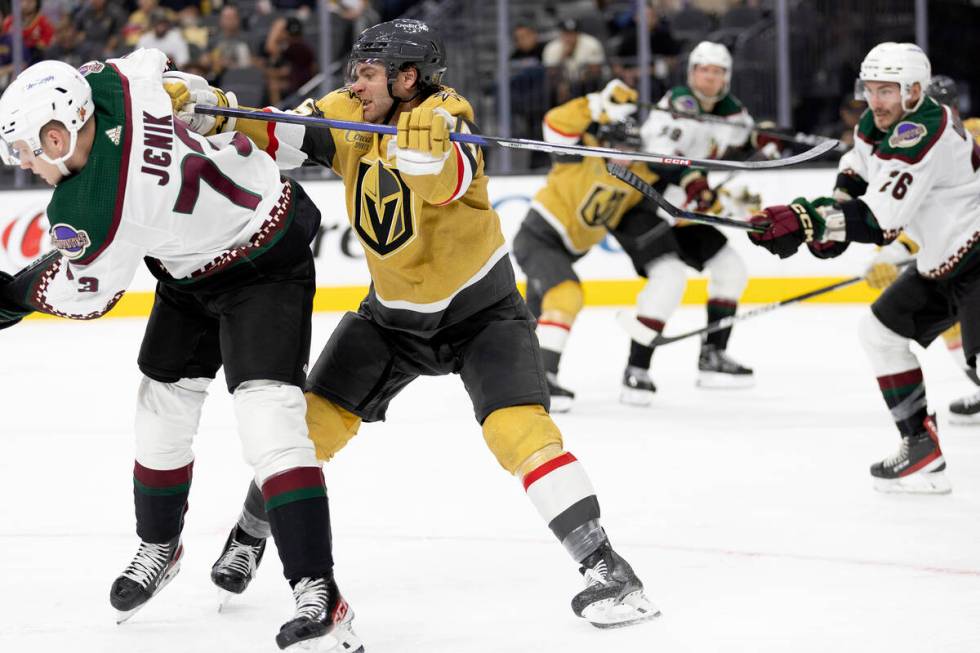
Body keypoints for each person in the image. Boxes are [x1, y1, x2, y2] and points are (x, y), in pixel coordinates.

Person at [169, 18, 658, 628]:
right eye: (355, 71)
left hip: (481, 314)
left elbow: (452, 179)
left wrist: (430, 152)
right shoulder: (348, 111)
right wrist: (218, 112)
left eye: (369, 73)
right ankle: (248, 534)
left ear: (408, 79)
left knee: (519, 432)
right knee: (306, 430)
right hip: (391, 320)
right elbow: (285, 133)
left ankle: (608, 568)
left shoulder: (451, 117)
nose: (356, 82)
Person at [0, 51, 360, 652]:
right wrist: (188, 88)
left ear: (58, 134)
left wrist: (11, 297)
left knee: (269, 423)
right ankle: (161, 546)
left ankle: (320, 591)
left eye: (29, 149)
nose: (26, 164)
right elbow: (149, 63)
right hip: (192, 267)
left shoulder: (93, 208)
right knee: (160, 408)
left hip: (263, 267)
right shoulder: (109, 83)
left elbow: (87, 299)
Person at [746, 42, 980, 494]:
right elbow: (857, 171)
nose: (874, 100)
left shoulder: (923, 129)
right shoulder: (879, 122)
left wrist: (808, 219)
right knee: (880, 331)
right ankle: (920, 448)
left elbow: (880, 220)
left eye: (887, 90)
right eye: (869, 88)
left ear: (914, 90)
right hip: (944, 261)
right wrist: (826, 219)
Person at [515, 80, 726, 409]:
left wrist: (706, 198)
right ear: (603, 141)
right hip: (539, 237)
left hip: (567, 250)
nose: (624, 157)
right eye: (618, 147)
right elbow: (555, 123)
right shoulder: (580, 155)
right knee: (567, 295)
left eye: (630, 150)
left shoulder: (634, 176)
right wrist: (596, 101)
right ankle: (543, 381)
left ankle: (518, 379)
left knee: (527, 323)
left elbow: (673, 200)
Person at [626, 40, 756, 399]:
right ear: (692, 73)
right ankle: (636, 368)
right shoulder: (677, 104)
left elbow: (745, 134)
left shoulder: (731, 111)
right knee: (668, 280)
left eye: (716, 72)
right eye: (703, 70)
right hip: (650, 207)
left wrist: (763, 137)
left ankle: (713, 354)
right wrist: (694, 181)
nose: (709, 78)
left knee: (731, 270)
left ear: (725, 78)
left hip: (686, 211)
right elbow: (657, 157)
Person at [863, 73, 980, 425]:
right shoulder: (920, 145)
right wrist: (887, 257)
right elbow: (919, 216)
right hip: (961, 250)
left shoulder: (956, 136)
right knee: (948, 322)